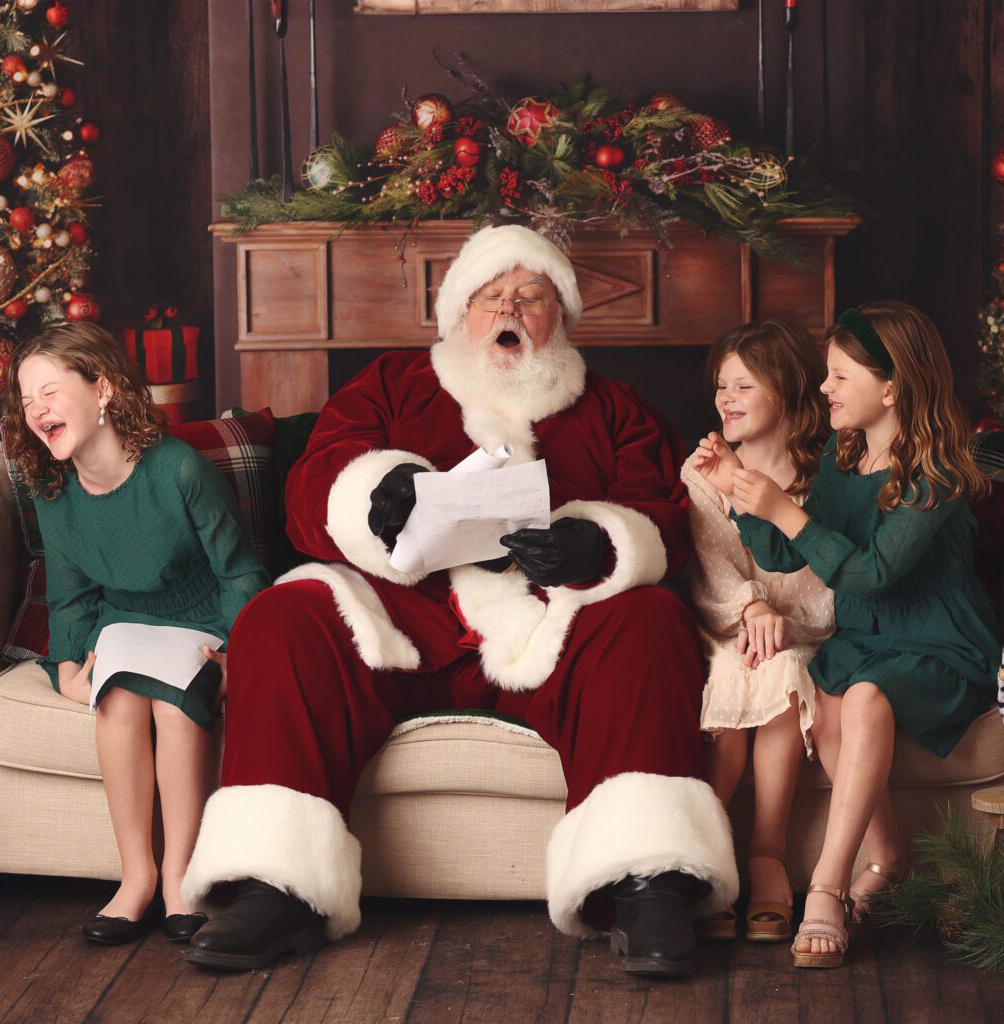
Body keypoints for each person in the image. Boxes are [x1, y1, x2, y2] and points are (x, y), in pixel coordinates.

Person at [180, 224, 738, 976]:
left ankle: (645, 882)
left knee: (648, 620)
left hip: (552, 622)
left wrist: (596, 545)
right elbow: (313, 486)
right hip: (403, 612)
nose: (510, 309)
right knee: (280, 618)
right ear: (457, 314)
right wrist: (377, 493)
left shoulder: (614, 407)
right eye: (491, 296)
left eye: (531, 296)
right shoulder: (391, 383)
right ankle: (276, 887)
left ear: (560, 319)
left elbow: (662, 513)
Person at [695, 302, 999, 968]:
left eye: (838, 376)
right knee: (829, 712)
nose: (823, 389)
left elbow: (871, 573)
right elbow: (786, 556)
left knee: (861, 699)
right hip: (866, 636)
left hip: (934, 638)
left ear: (890, 386)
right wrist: (743, 497)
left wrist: (782, 508)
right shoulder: (844, 452)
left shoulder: (936, 473)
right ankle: (891, 858)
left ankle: (826, 891)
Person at [2, 323, 269, 946]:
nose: (36, 409)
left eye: (49, 391)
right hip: (123, 618)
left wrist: (235, 654)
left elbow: (239, 571)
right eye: (26, 398)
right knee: (118, 700)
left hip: (200, 617)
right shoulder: (54, 487)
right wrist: (66, 665)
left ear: (103, 388)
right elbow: (69, 593)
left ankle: (183, 879)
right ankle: (137, 878)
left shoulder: (178, 467)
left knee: (177, 708)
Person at [683, 321, 834, 942]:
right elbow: (713, 565)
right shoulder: (706, 471)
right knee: (743, 664)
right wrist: (750, 610)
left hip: (808, 626)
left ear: (790, 386)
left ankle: (766, 854)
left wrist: (779, 621)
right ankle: (711, 854)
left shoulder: (830, 473)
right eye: (722, 386)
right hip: (727, 627)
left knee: (784, 664)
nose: (727, 398)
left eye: (744, 384)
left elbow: (831, 570)